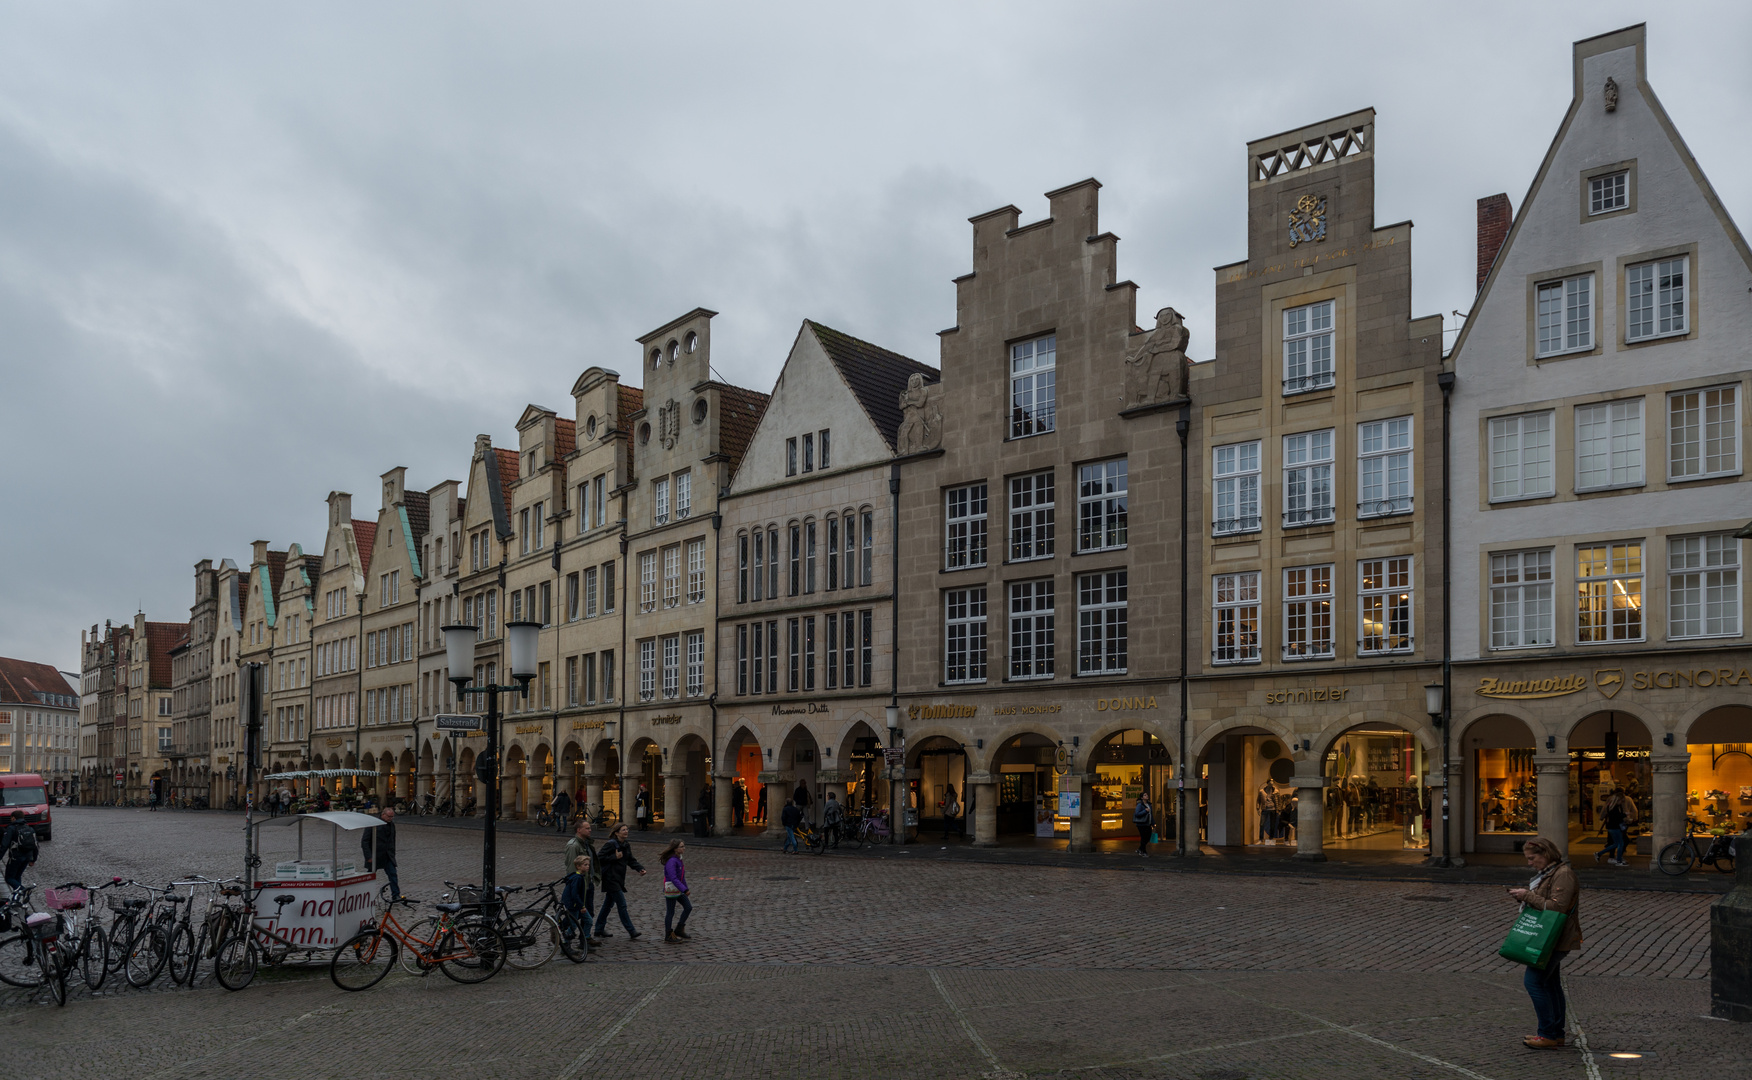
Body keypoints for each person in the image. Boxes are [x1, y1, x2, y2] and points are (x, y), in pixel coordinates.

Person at [1507, 836, 1583, 1049]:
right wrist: (1526, 896)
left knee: (1534, 982)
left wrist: (1527, 896)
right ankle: (1554, 1033)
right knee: (1550, 984)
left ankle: (1548, 1033)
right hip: (1552, 937)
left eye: (1532, 858)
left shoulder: (1563, 874)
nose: (1529, 863)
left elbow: (1557, 907)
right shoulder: (1551, 873)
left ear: (1545, 854)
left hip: (1554, 938)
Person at [592, 823, 646, 942]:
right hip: (610, 878)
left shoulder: (626, 845)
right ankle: (631, 930)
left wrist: (639, 868)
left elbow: (630, 860)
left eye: (627, 829)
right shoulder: (611, 844)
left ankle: (599, 929)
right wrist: (614, 858)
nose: (626, 832)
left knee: (607, 905)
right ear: (617, 833)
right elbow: (598, 858)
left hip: (619, 878)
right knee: (622, 905)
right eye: (623, 830)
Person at [564, 819, 598, 926]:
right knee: (578, 913)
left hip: (588, 882)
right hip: (580, 884)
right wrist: (576, 885)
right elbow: (572, 868)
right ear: (579, 830)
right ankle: (560, 928)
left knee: (589, 913)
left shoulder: (586, 843)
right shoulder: (573, 846)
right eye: (587, 828)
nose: (590, 830)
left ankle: (585, 937)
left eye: (590, 828)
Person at [363, 806, 401, 900]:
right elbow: (365, 841)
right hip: (375, 856)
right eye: (389, 816)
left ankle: (395, 895)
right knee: (370, 877)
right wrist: (368, 856)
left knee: (393, 875)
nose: (390, 819)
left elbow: (392, 839)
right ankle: (366, 895)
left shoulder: (391, 824)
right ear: (383, 815)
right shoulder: (373, 824)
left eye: (392, 817)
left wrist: (392, 852)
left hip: (388, 856)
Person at [659, 839, 691, 943]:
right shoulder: (672, 861)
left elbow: (682, 876)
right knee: (670, 912)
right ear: (675, 849)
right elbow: (673, 877)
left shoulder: (679, 859)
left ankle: (679, 929)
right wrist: (684, 889)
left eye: (684, 846)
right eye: (681, 846)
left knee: (688, 907)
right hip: (671, 889)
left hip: (678, 889)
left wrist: (685, 888)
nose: (684, 848)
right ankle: (668, 934)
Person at [1596, 790, 1635, 867]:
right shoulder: (1614, 808)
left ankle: (1599, 854)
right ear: (1618, 800)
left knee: (1615, 843)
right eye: (1622, 801)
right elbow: (1616, 817)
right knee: (1621, 843)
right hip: (1615, 827)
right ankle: (1619, 860)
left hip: (1612, 827)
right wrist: (1625, 815)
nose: (1622, 802)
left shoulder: (1611, 806)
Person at [561, 853, 592, 951]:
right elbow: (574, 894)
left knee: (589, 921)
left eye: (588, 865)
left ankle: (585, 940)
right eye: (585, 865)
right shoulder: (577, 878)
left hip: (577, 905)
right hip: (574, 905)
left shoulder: (578, 876)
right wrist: (581, 906)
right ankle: (566, 944)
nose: (587, 866)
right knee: (573, 925)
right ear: (578, 866)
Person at [3, 811, 39, 893]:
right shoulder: (29, 828)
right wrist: (33, 859)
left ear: (13, 818)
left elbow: (4, 845)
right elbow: (35, 845)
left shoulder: (11, 828)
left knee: (9, 878)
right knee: (17, 876)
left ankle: (23, 891)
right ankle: (17, 898)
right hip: (27, 857)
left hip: (16, 857)